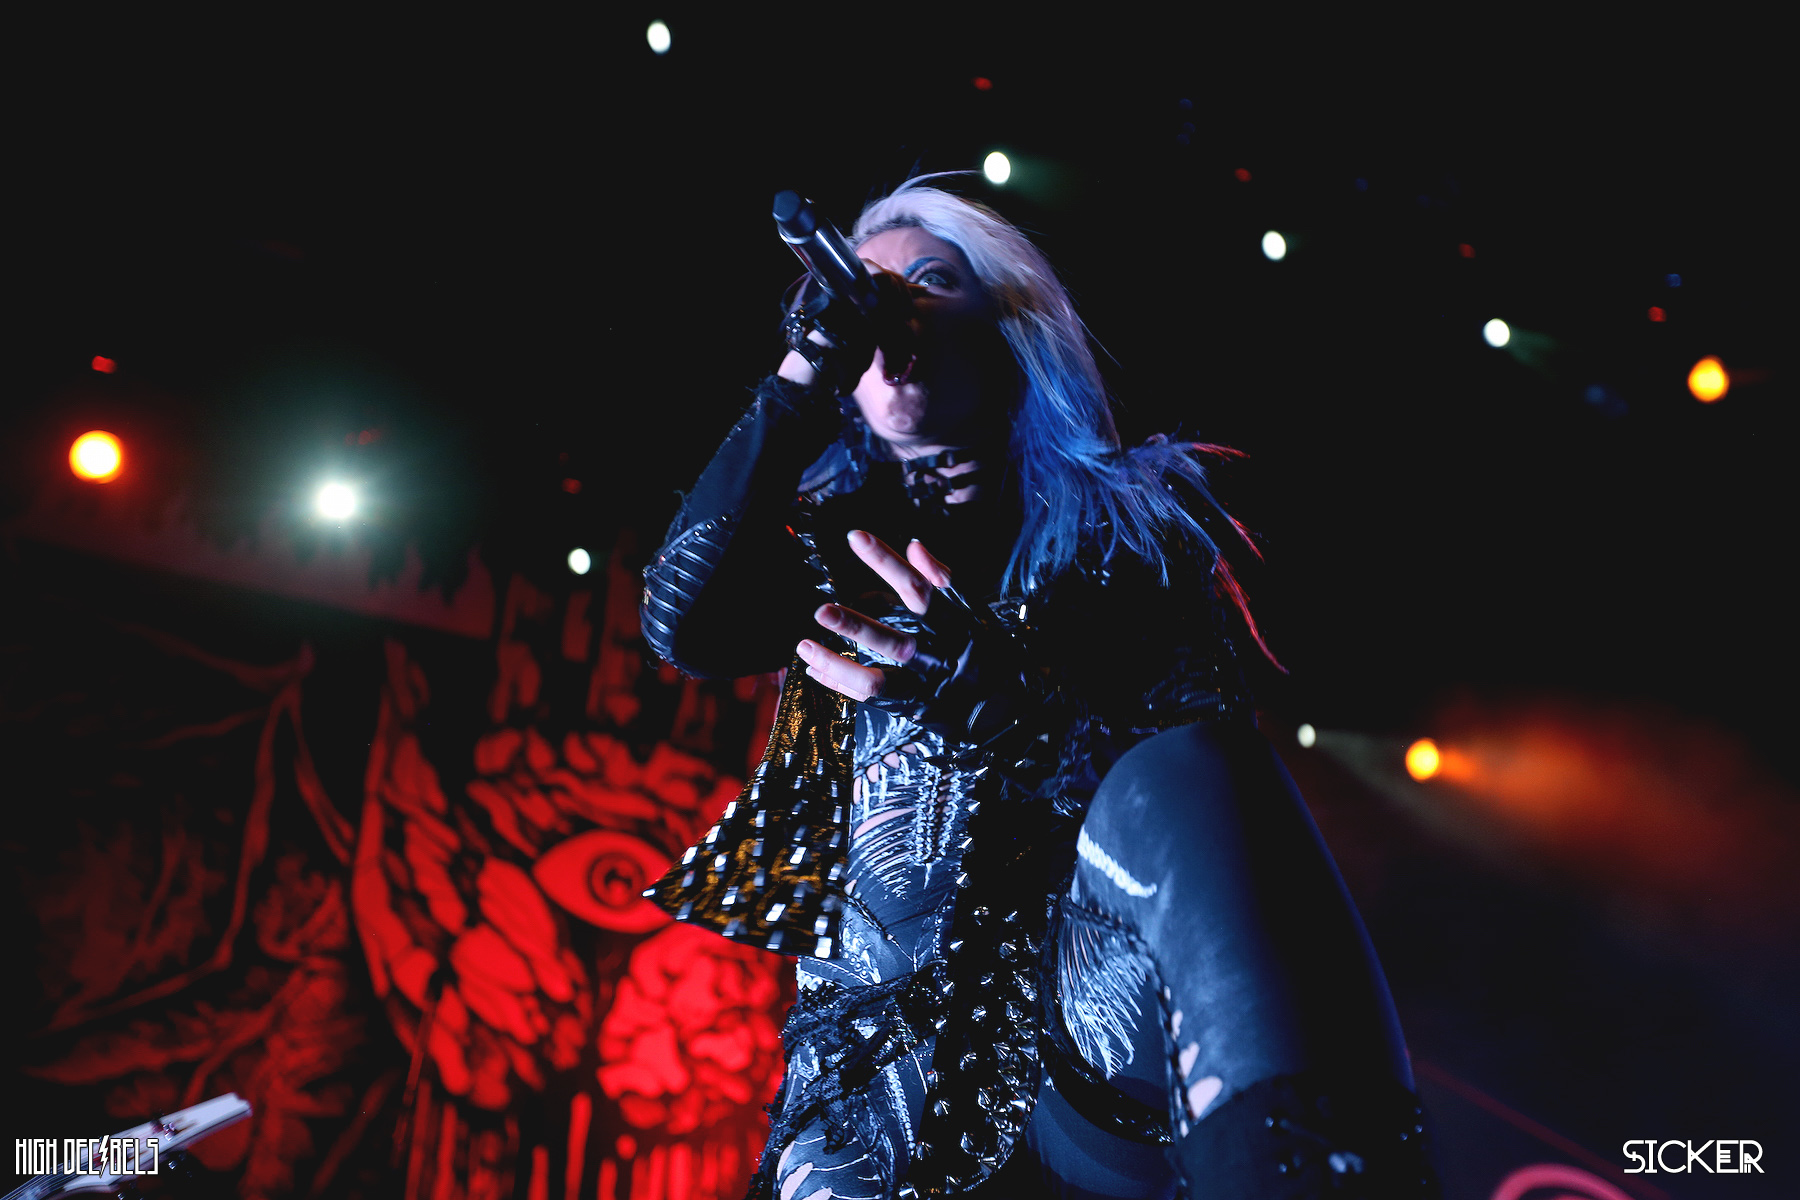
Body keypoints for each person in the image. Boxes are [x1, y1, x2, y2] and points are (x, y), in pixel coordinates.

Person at [641, 180, 1438, 1199]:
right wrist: (808, 365)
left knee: (1197, 772)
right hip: (869, 1098)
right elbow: (684, 621)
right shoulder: (828, 548)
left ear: (1010, 328)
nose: (889, 307)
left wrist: (1021, 721)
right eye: (866, 290)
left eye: (932, 281)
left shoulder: (1131, 542)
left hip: (1079, 1041)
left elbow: (1199, 812)